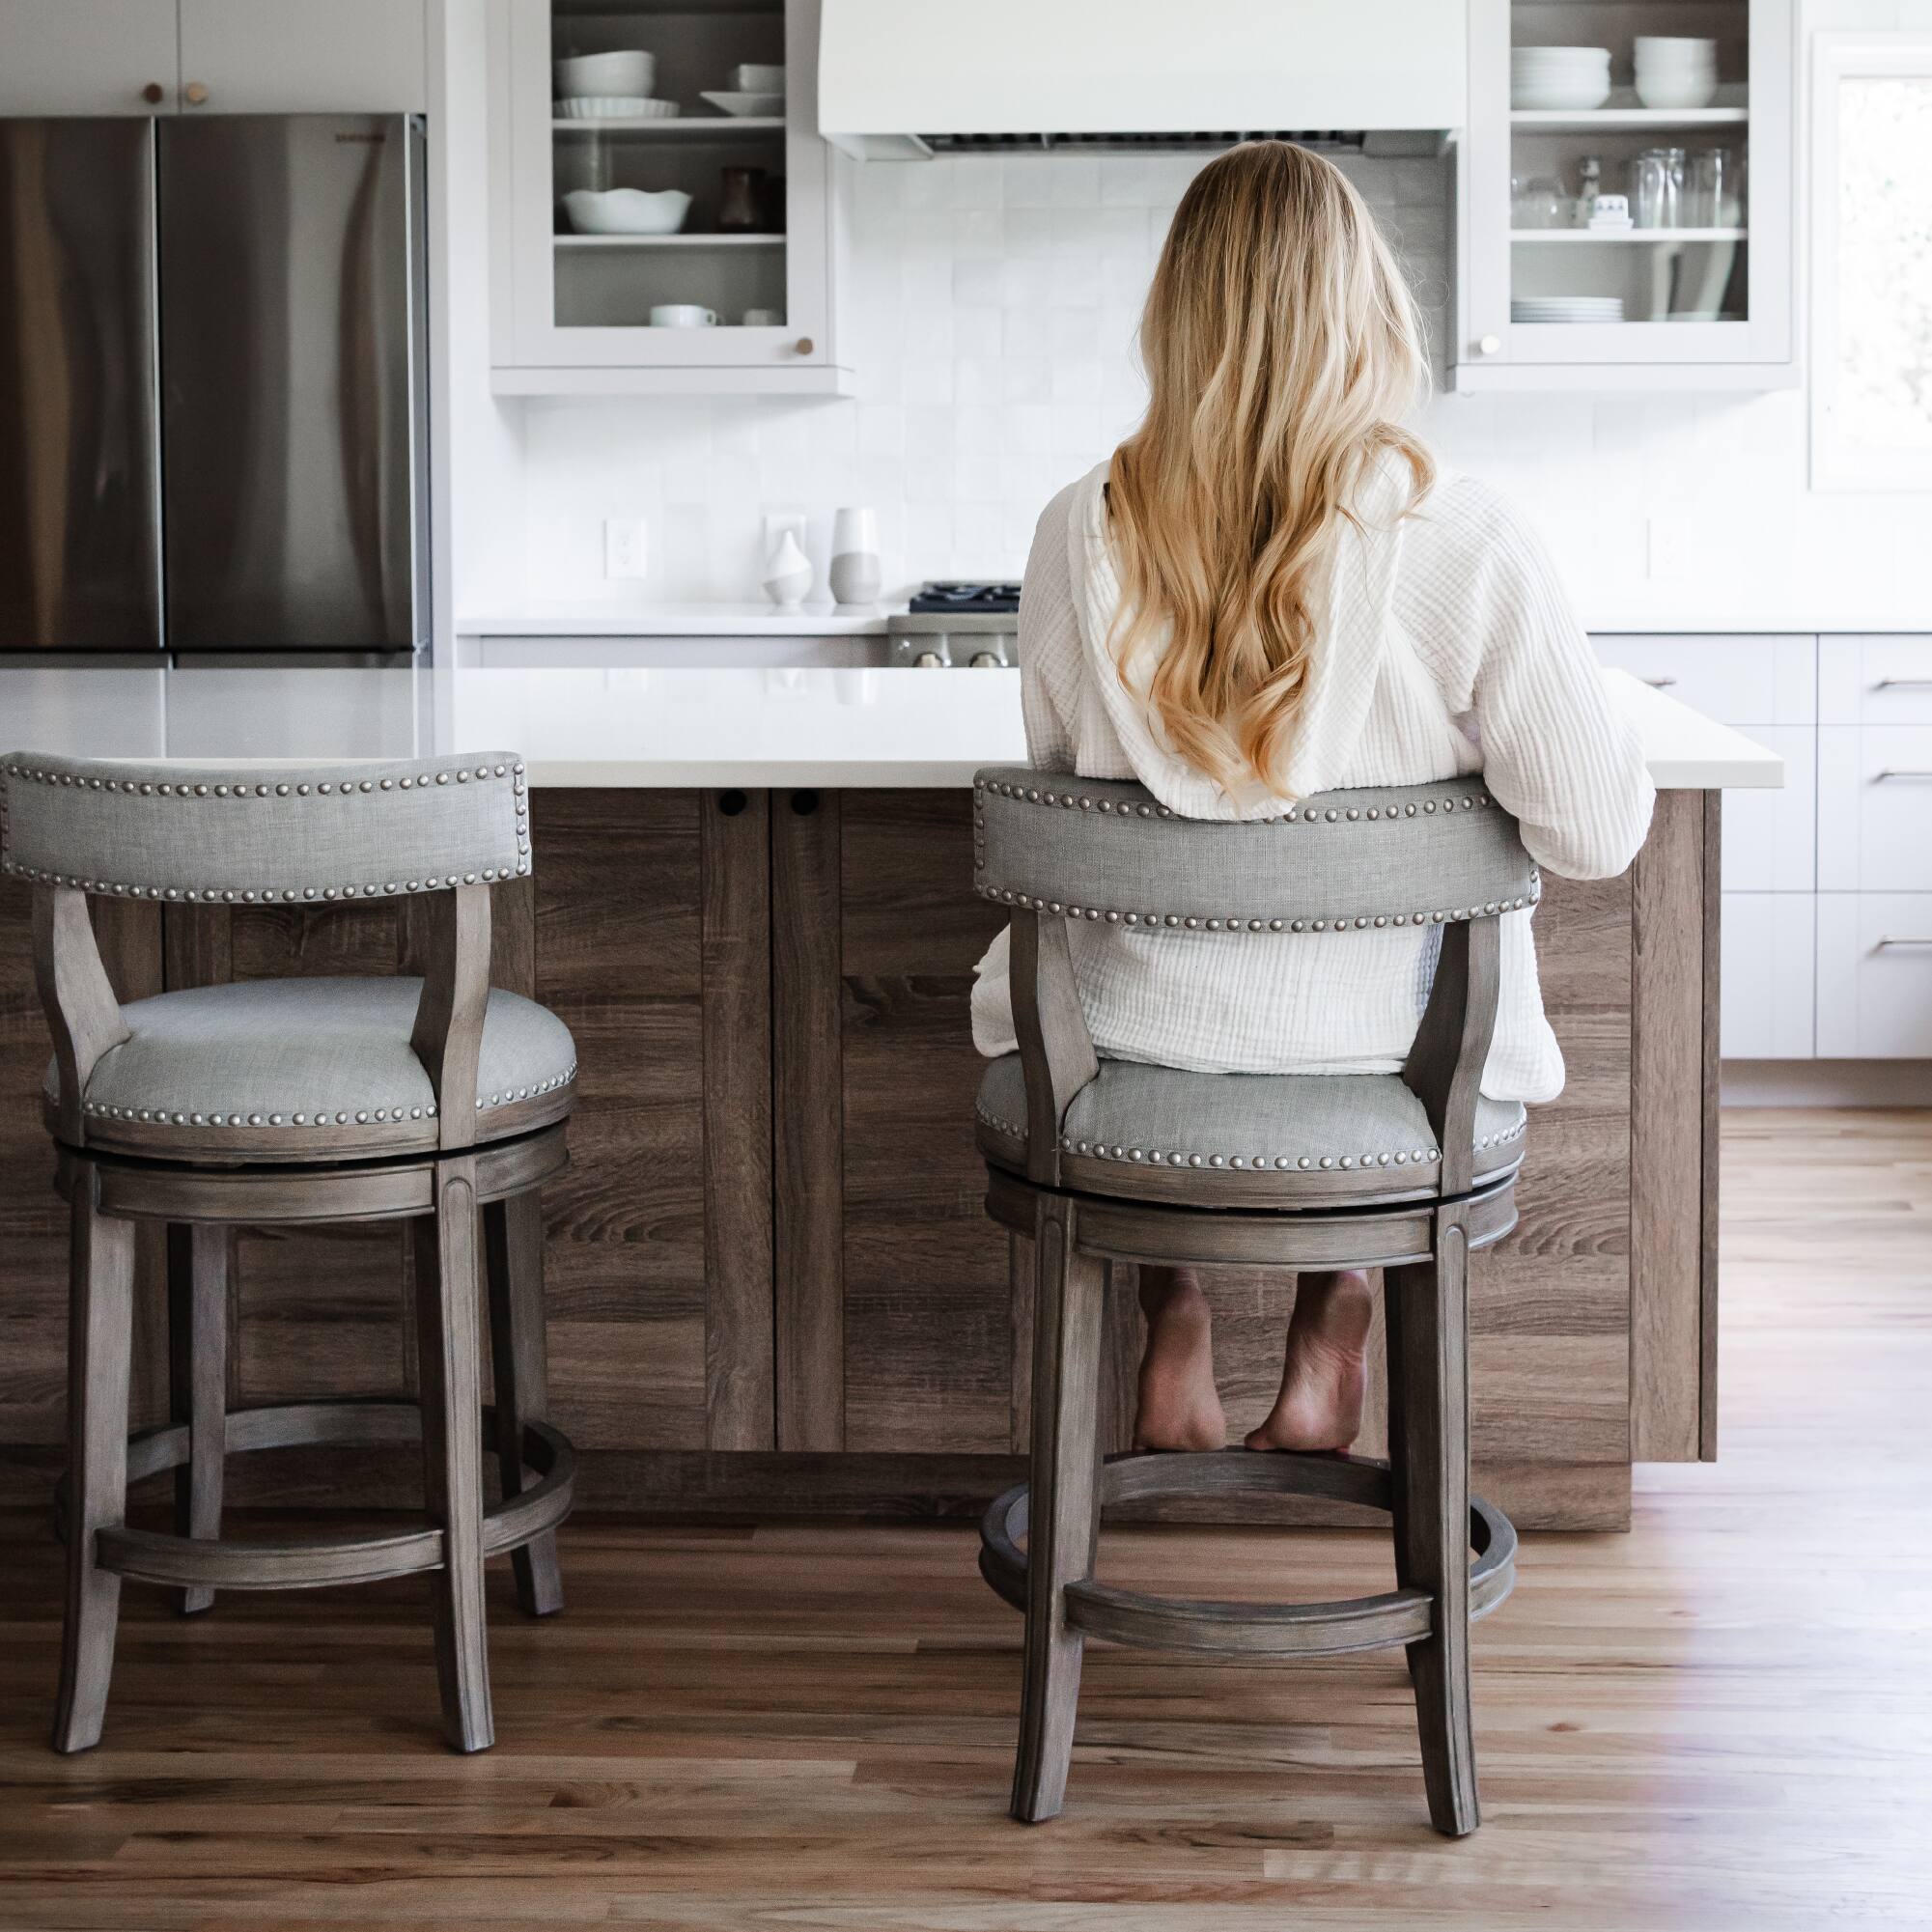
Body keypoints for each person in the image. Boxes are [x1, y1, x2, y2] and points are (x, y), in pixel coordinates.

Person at [971, 140, 1655, 1456]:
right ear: (1372, 311)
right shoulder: (1466, 540)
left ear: (1172, 319)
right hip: (1392, 1076)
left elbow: (1058, 779)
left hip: (1117, 1056)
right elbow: (1596, 827)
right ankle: (1340, 1285)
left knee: (1135, 990)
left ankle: (1166, 1294)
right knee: (1380, 1010)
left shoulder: (1073, 529)